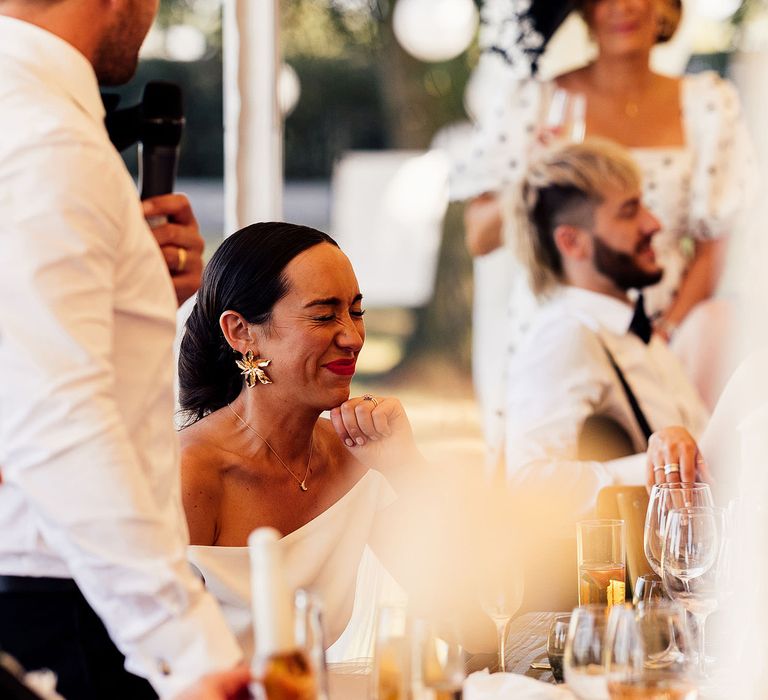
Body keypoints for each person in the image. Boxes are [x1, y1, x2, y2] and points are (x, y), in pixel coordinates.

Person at [0, 1, 242, 698]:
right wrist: (190, 647)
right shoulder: (49, 139)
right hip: (61, 594)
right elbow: (57, 419)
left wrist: (126, 304)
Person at [178, 222, 502, 661]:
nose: (352, 337)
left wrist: (409, 471)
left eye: (356, 311)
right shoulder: (190, 473)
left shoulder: (356, 455)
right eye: (324, 314)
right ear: (241, 332)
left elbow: (470, 625)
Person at [451, 0, 755, 457]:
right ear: (584, 9)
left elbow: (716, 243)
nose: (623, 6)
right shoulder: (536, 100)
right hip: (557, 322)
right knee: (551, 485)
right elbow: (480, 236)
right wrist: (532, 174)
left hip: (669, 336)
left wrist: (666, 334)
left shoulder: (709, 102)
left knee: (678, 478)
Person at [505, 139, 709, 525]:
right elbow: (527, 487)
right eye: (630, 212)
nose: (655, 224)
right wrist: (655, 468)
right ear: (571, 241)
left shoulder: (635, 333)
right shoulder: (565, 336)